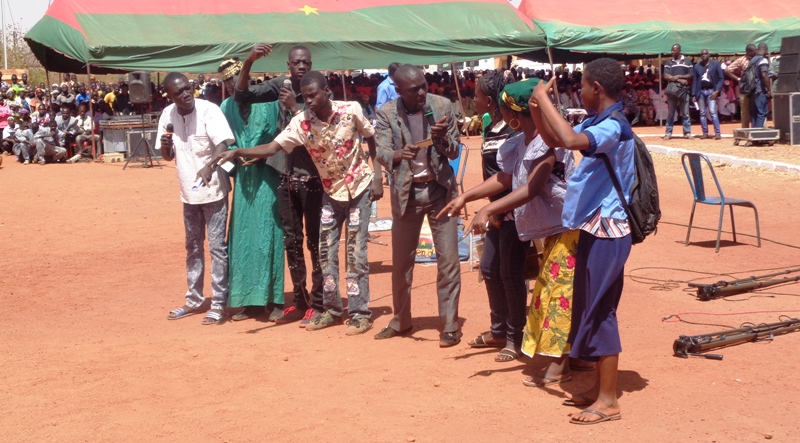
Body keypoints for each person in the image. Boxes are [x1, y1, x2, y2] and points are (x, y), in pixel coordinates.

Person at [213, 70, 382, 335]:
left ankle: (360, 314)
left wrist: (378, 177)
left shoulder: (352, 110)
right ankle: (332, 310)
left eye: (313, 95)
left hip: (359, 189)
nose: (309, 101)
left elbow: (372, 137)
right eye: (305, 97)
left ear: (327, 91)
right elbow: (271, 148)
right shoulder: (301, 123)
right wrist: (237, 151)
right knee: (326, 253)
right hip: (331, 193)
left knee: (355, 254)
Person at [530, 58, 634, 425]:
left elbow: (571, 140)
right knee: (589, 305)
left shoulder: (615, 127)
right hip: (594, 229)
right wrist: (538, 110)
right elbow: (557, 139)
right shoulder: (599, 122)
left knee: (601, 310)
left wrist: (544, 97)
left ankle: (609, 400)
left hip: (610, 232)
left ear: (597, 89)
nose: (581, 91)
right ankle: (599, 391)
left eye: (584, 86)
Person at [233, 43, 325, 325]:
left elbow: (322, 131)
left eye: (306, 62)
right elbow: (241, 94)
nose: (301, 67)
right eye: (297, 62)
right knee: (292, 241)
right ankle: (299, 301)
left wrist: (294, 107)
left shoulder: (319, 87)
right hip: (285, 175)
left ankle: (320, 304)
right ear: (288, 65)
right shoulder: (280, 85)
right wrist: (249, 60)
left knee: (315, 243)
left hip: (313, 177)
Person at [373, 64, 463, 347]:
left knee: (448, 260)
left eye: (424, 85)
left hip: (439, 191)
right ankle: (401, 320)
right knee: (401, 264)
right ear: (398, 91)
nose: (423, 92)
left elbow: (454, 150)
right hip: (406, 194)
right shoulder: (387, 112)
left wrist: (440, 139)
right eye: (415, 89)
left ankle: (449, 325)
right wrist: (400, 154)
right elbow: (382, 153)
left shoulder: (442, 106)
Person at [437, 69, 522, 361]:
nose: (474, 99)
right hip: (495, 211)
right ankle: (499, 331)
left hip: (513, 211)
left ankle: (515, 337)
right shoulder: (491, 126)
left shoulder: (513, 128)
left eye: (477, 94)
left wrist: (492, 206)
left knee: (511, 275)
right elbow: (492, 174)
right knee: (489, 269)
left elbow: (509, 177)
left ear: (489, 98)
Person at [159, 72, 235, 325]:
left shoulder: (208, 111)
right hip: (188, 194)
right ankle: (194, 299)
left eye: (188, 88)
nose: (186, 94)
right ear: (169, 96)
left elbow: (223, 144)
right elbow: (168, 157)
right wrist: (165, 145)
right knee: (192, 247)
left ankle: (219, 303)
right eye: (179, 92)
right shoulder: (167, 115)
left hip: (213, 190)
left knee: (216, 248)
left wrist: (210, 166)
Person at [216, 58, 286, 325]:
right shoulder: (225, 107)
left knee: (270, 234)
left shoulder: (269, 102)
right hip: (244, 181)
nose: (233, 85)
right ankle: (249, 299)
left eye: (237, 79)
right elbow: (223, 142)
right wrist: (233, 163)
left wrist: (262, 155)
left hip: (267, 175)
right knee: (243, 237)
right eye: (228, 82)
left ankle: (275, 299)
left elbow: (281, 136)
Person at [692, 49, 724, 139]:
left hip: (711, 91)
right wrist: (693, 94)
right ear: (700, 55)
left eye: (705, 54)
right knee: (702, 113)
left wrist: (717, 91)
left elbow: (721, 78)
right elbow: (695, 80)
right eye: (702, 54)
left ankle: (717, 133)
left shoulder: (716, 64)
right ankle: (705, 133)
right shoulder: (697, 66)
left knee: (713, 112)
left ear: (709, 55)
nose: (704, 55)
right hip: (701, 92)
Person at [663, 44, 693, 139]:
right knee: (671, 113)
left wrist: (678, 76)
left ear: (679, 50)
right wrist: (679, 80)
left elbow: (690, 75)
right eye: (672, 50)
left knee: (686, 113)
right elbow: (666, 76)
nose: (672, 52)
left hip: (684, 90)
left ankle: (687, 132)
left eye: (674, 50)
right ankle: (668, 132)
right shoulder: (669, 62)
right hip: (672, 90)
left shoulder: (687, 61)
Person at [725, 44, 757, 128]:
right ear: (748, 52)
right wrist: (738, 79)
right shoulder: (741, 60)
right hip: (745, 88)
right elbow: (727, 70)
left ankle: (758, 131)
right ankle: (746, 131)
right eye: (754, 50)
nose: (756, 51)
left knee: (757, 110)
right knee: (745, 112)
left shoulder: (757, 59)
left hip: (756, 87)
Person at [750, 43, 772, 128]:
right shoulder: (763, 60)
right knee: (762, 113)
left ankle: (753, 136)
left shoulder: (752, 60)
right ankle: (757, 137)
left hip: (752, 90)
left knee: (754, 114)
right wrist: (769, 89)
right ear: (765, 49)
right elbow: (764, 75)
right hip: (760, 91)